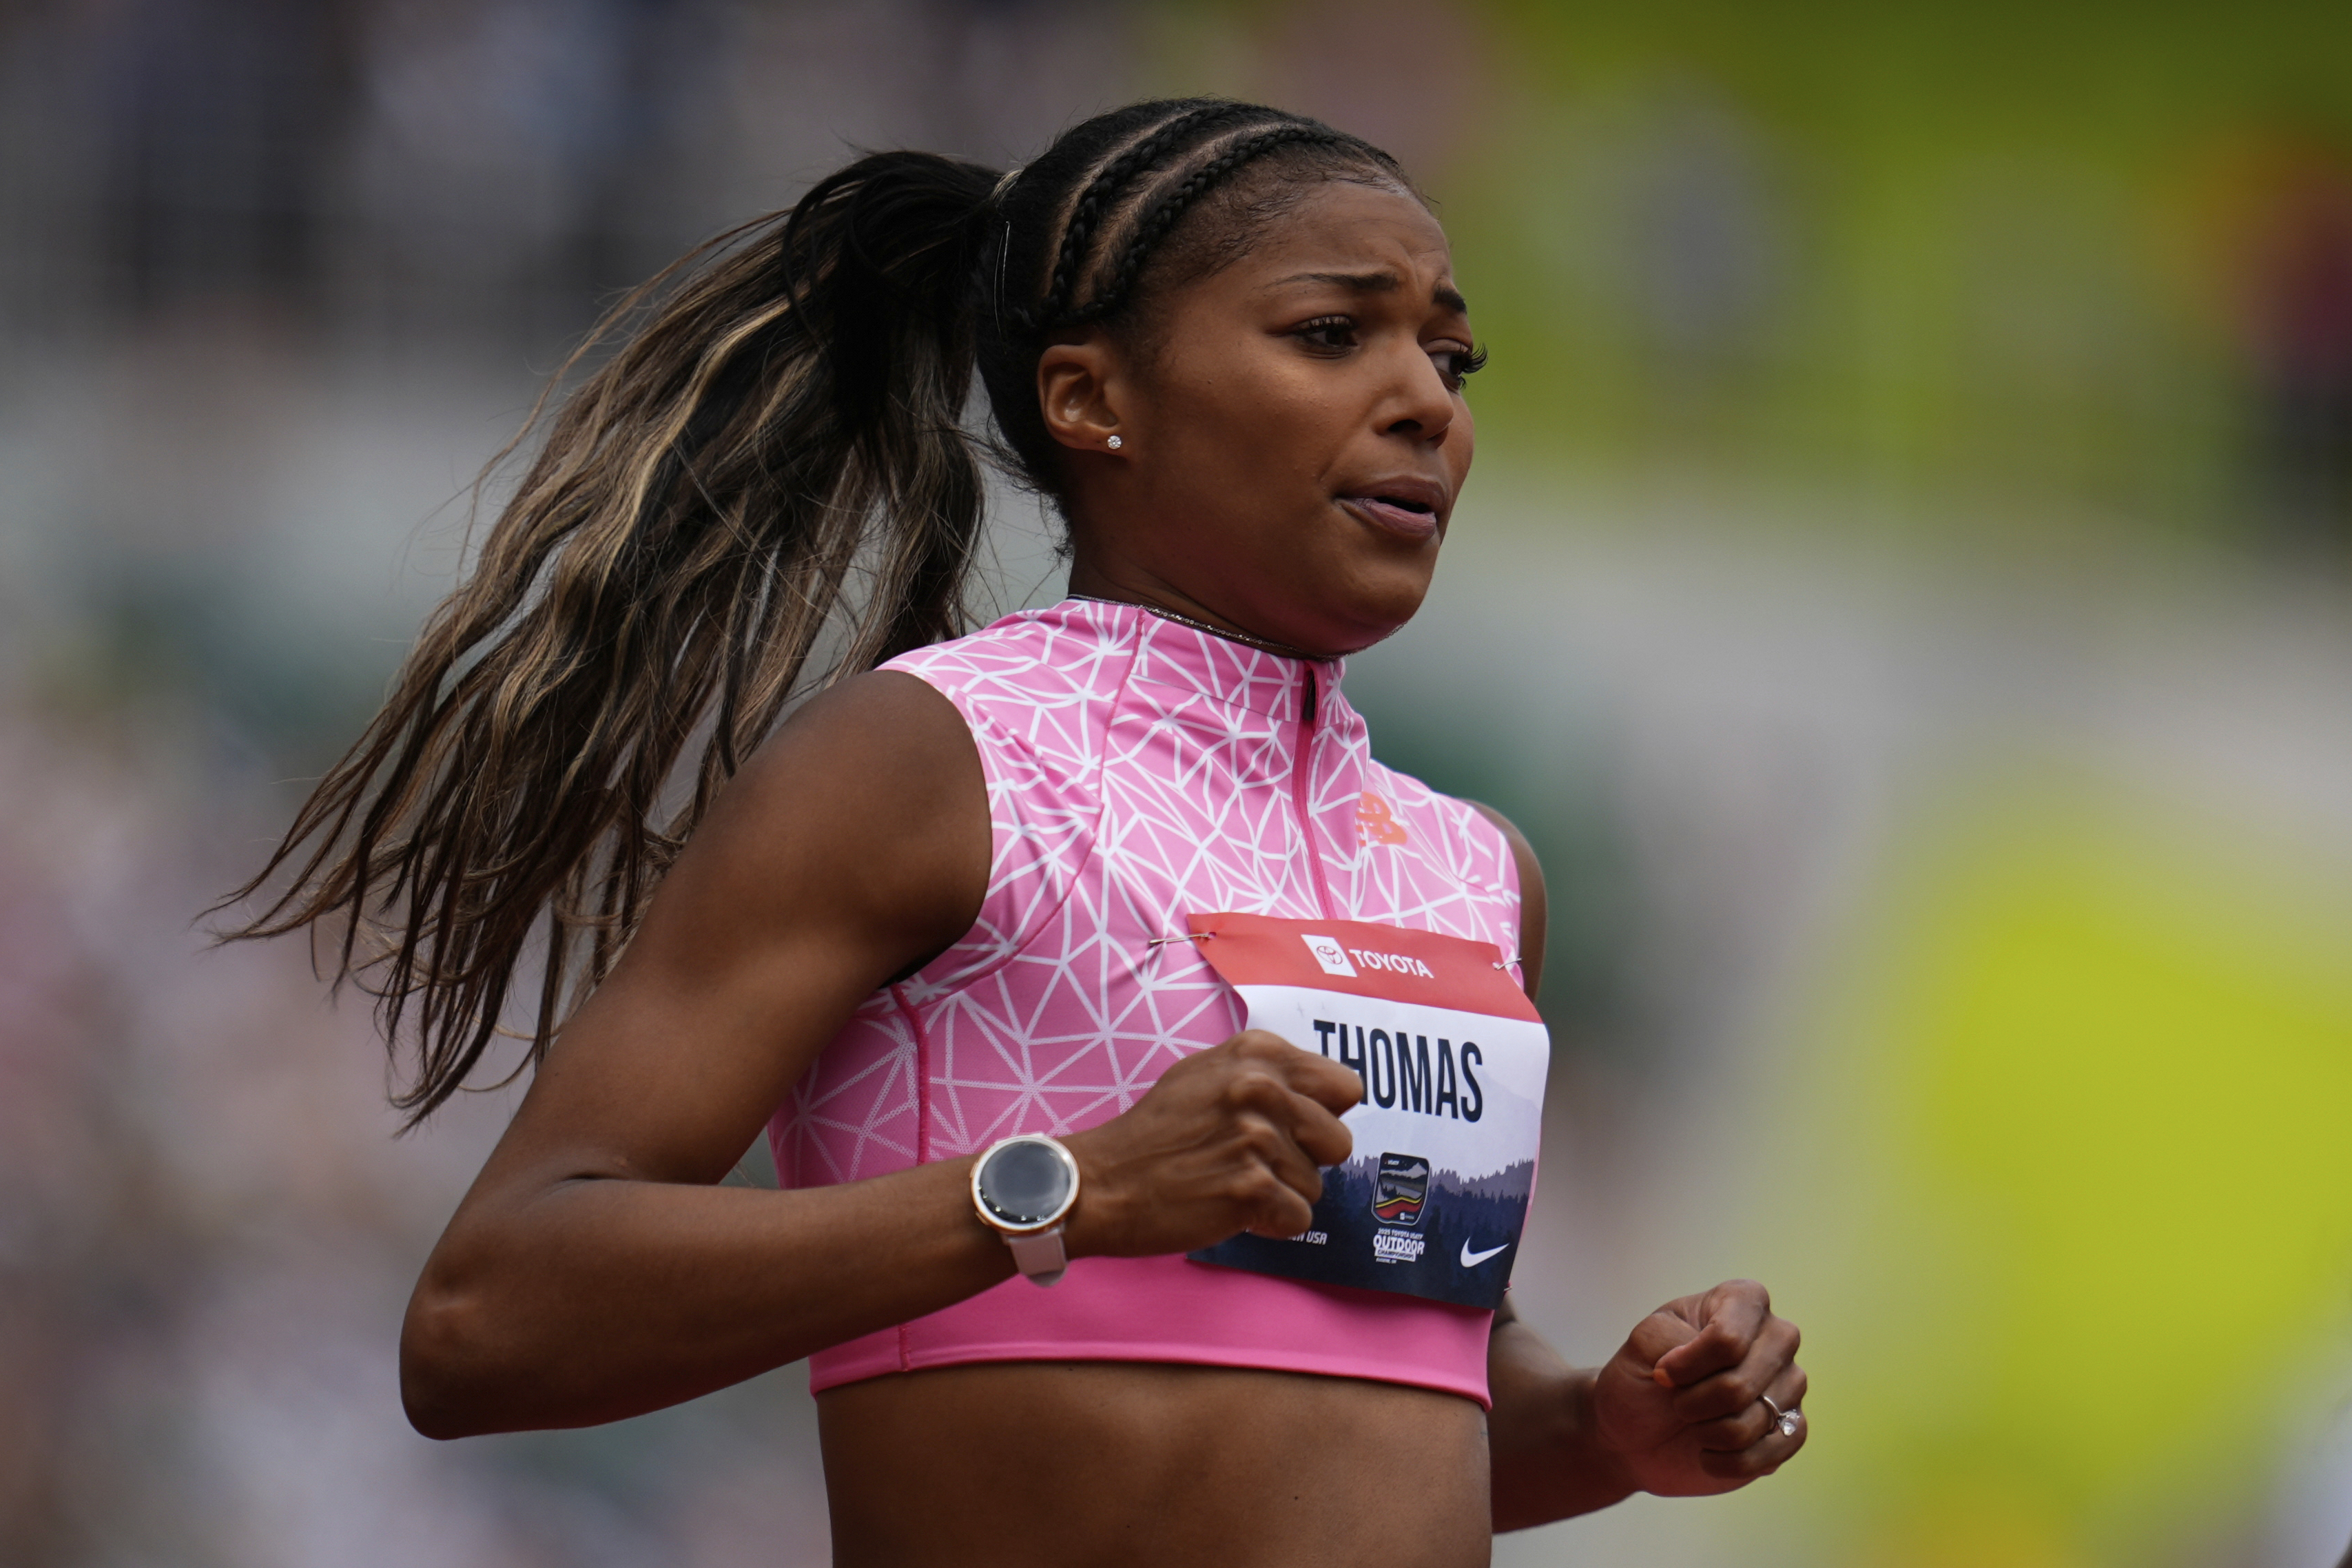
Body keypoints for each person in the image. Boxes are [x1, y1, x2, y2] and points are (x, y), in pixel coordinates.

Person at [229, 99, 1807, 1565]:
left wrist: (1609, 1423)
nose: (1421, 405)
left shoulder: (1475, 873)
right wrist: (1067, 1191)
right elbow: (487, 1317)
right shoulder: (934, 763)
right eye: (1333, 335)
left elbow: (1390, 1405)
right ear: (1090, 397)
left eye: (1451, 362)